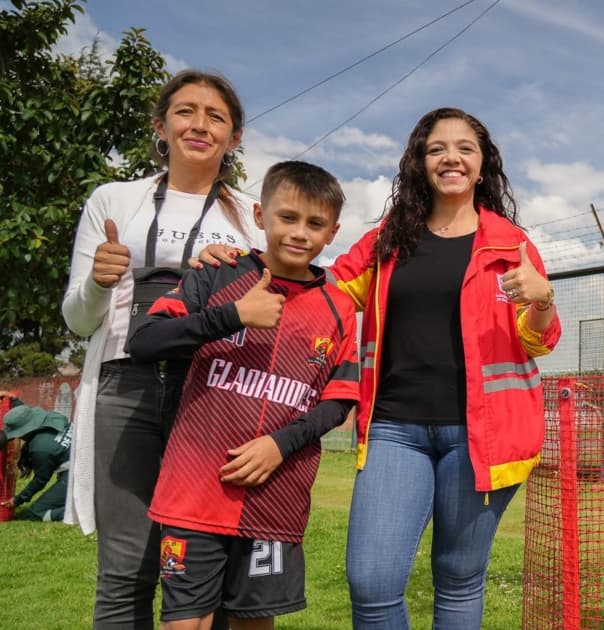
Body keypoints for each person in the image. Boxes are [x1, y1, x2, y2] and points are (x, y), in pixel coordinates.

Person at [337, 107, 559, 628]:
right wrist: (251, 264)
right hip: (394, 429)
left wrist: (543, 300)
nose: (451, 157)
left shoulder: (513, 245)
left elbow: (540, 340)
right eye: (436, 148)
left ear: (482, 166)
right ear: (419, 162)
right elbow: (328, 294)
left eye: (465, 148)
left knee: (458, 581)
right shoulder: (387, 240)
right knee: (371, 583)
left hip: (482, 436)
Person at [61, 69, 263, 628]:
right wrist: (99, 283)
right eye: (185, 111)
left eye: (216, 116)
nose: (199, 124)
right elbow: (78, 323)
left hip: (215, 396)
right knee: (126, 567)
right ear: (161, 125)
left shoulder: (251, 216)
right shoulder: (114, 200)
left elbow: (270, 312)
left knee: (209, 562)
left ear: (234, 137)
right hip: (125, 386)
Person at [126, 160, 359, 629]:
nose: (299, 233)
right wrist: (233, 314)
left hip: (275, 499)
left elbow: (337, 403)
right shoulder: (218, 274)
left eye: (315, 224)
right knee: (185, 621)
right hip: (194, 494)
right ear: (259, 215)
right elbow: (144, 342)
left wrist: (279, 444)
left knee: (254, 621)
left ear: (332, 232)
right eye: (287, 217)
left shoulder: (340, 309)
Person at [0, 393, 71, 522]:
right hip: (94, 461)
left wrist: (17, 500)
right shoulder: (52, 417)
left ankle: (87, 511)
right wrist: (13, 399)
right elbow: (24, 415)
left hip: (80, 474)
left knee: (37, 513)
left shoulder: (40, 448)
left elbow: (41, 480)